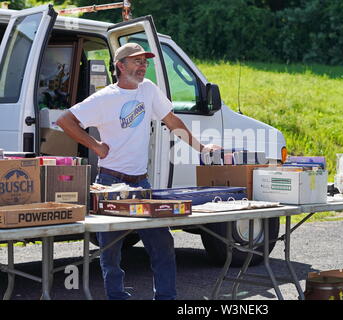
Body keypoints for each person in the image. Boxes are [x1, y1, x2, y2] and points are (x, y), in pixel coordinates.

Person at [57, 42, 221, 300]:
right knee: (111, 250)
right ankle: (117, 296)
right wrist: (96, 145)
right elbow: (65, 120)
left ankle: (166, 297)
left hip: (141, 184)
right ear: (120, 66)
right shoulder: (104, 98)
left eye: (145, 61)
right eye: (136, 61)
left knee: (162, 243)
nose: (143, 66)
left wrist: (201, 148)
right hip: (110, 185)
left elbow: (172, 121)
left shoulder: (148, 91)